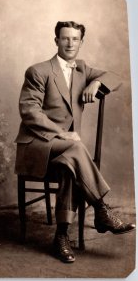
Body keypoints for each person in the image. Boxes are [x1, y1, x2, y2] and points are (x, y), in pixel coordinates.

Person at [15, 21, 135, 263]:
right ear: (56, 40)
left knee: (70, 164)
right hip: (37, 144)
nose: (70, 43)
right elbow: (29, 112)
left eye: (75, 39)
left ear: (81, 42)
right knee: (76, 147)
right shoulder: (38, 71)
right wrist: (62, 133)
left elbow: (118, 76)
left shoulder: (81, 69)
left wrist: (96, 82)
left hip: (66, 152)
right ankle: (102, 209)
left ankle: (61, 236)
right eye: (65, 38)